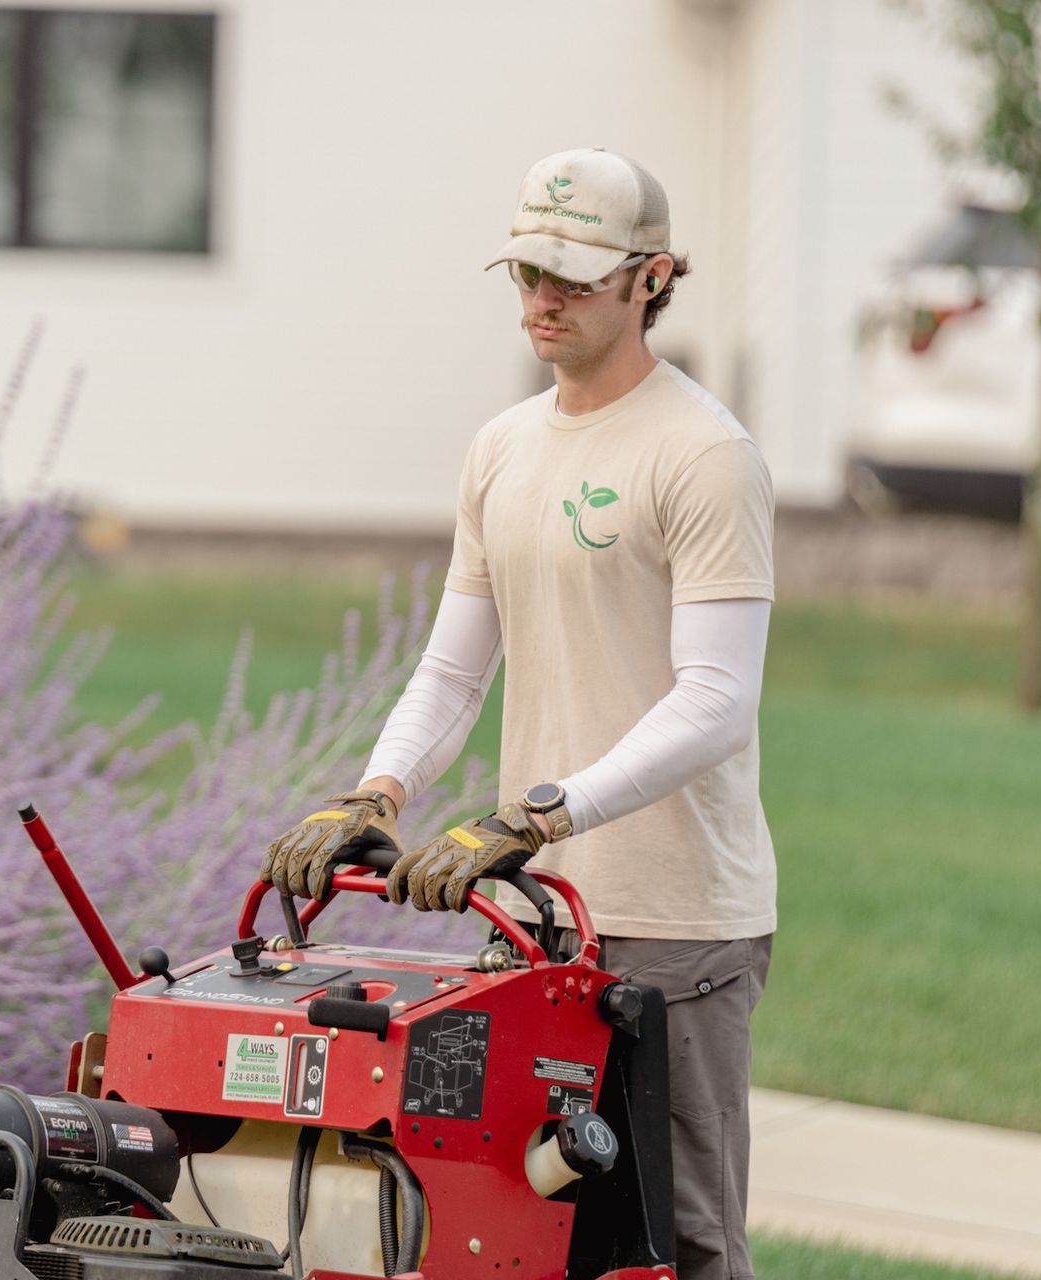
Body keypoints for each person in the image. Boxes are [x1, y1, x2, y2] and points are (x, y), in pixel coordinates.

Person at [260, 147, 776, 1280]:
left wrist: (542, 813)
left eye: (574, 278)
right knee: (525, 1234)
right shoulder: (502, 449)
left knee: (681, 1240)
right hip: (538, 919)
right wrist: (377, 790)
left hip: (676, 924)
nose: (543, 298)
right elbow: (453, 674)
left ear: (651, 277)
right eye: (529, 272)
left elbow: (718, 699)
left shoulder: (705, 454)